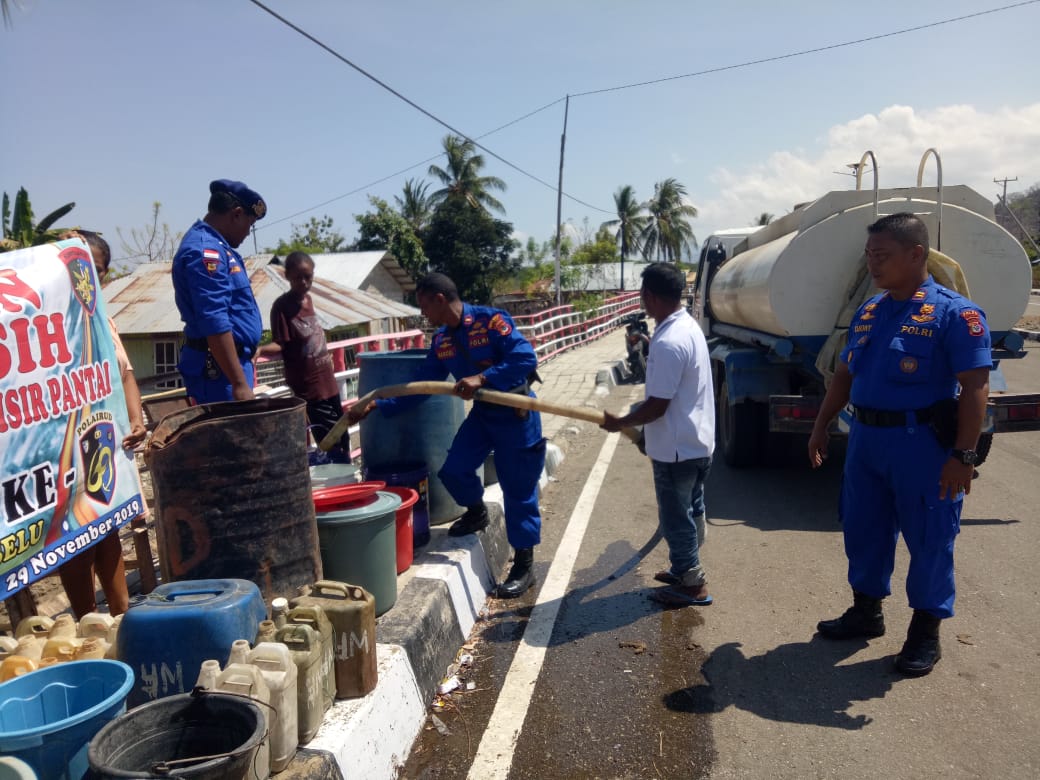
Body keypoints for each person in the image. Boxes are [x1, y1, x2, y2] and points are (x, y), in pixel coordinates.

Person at [808, 212, 991, 676]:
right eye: (869, 256)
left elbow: (974, 389)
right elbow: (844, 374)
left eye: (882, 256)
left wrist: (963, 457)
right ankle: (866, 611)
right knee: (863, 528)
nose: (873, 265)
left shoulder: (956, 314)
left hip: (921, 446)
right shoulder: (870, 311)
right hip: (866, 440)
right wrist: (821, 424)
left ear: (916, 254)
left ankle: (925, 632)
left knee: (930, 538)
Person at [347, 273, 546, 598]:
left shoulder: (491, 321)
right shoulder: (442, 342)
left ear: (440, 299)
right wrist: (379, 406)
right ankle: (476, 511)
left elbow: (525, 358)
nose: (423, 314)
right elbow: (421, 386)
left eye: (424, 305)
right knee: (454, 469)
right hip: (482, 415)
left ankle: (525, 565)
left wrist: (482, 378)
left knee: (518, 489)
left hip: (515, 414)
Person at [601, 263, 716, 607]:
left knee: (675, 515)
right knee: (693, 507)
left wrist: (622, 421)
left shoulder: (668, 341)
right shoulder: (687, 326)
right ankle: (686, 567)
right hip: (697, 442)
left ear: (649, 296)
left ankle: (691, 581)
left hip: (676, 448)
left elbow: (657, 406)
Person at [57, 230, 147, 617]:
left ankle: (120, 620)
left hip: (103, 437)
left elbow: (125, 373)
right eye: (76, 269)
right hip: (63, 444)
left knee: (108, 532)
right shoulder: (48, 324)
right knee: (73, 539)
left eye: (93, 271)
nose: (84, 279)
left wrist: (137, 418)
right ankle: (84, 626)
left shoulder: (102, 320)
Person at [172, 179, 266, 403]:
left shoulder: (219, 247)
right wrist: (239, 384)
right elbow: (214, 319)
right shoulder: (206, 251)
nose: (247, 233)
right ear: (236, 214)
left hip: (228, 368)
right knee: (230, 437)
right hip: (218, 373)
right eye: (249, 225)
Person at [261, 251, 348, 457]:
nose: (303, 281)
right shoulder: (282, 307)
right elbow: (280, 343)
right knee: (330, 440)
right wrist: (260, 350)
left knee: (343, 434)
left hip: (328, 382)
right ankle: (341, 482)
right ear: (287, 276)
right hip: (310, 387)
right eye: (298, 276)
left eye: (308, 276)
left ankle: (347, 479)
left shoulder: (308, 299)